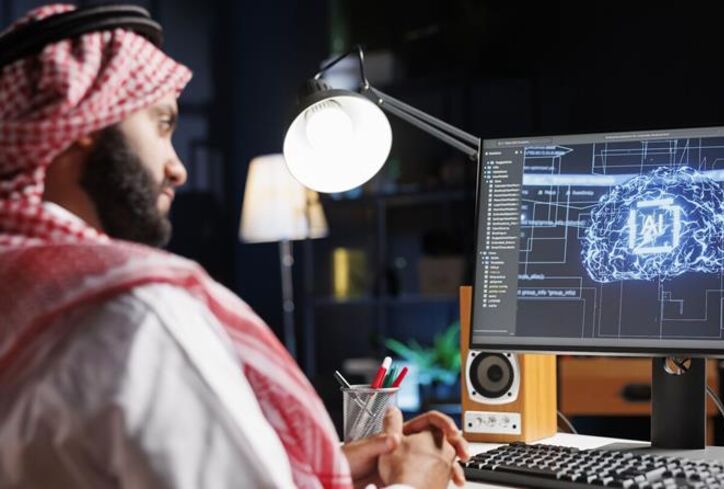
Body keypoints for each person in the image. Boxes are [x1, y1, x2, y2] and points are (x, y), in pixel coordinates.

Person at [0, 4, 469, 489]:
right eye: (162, 125)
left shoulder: (19, 296)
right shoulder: (134, 316)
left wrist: (319, 467)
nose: (176, 167)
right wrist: (415, 481)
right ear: (83, 123)